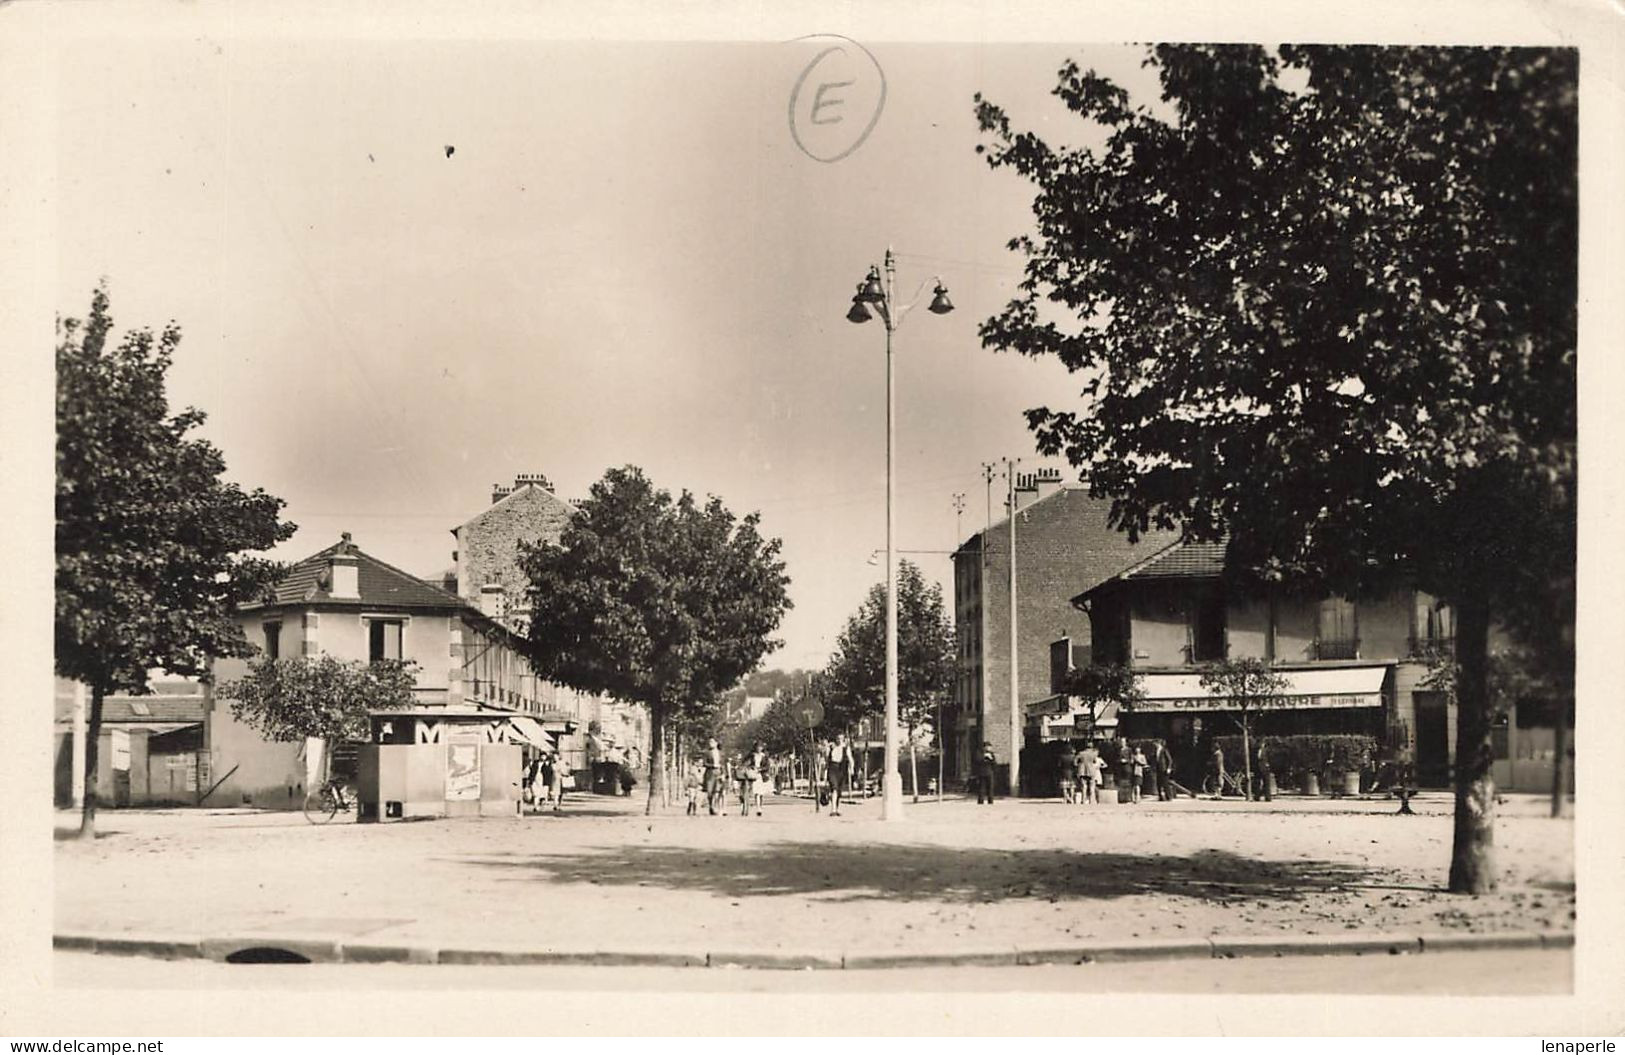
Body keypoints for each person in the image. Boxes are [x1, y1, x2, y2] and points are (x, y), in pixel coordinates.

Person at [826, 733, 853, 816]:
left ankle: (836, 809)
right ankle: (833, 809)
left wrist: (851, 769)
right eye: (838, 738)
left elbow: (850, 758)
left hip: (842, 770)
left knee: (838, 791)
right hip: (832, 769)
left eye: (841, 738)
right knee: (834, 789)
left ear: (843, 739)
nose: (839, 740)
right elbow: (827, 759)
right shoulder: (831, 747)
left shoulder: (846, 748)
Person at [747, 741, 770, 817]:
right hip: (754, 775)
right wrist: (751, 767)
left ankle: (760, 806)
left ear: (762, 748)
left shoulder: (765, 756)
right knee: (756, 792)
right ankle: (758, 808)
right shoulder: (752, 755)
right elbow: (747, 762)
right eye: (757, 747)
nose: (759, 748)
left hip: (761, 775)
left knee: (761, 793)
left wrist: (760, 769)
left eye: (760, 747)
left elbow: (767, 766)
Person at [703, 737, 724, 815]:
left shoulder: (720, 753)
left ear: (716, 743)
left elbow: (723, 764)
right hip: (710, 773)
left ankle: (715, 807)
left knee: (717, 791)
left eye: (712, 742)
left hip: (718, 772)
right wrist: (713, 765)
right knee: (709, 791)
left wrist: (723, 773)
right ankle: (711, 805)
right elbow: (704, 763)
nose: (710, 743)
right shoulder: (707, 753)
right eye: (709, 742)